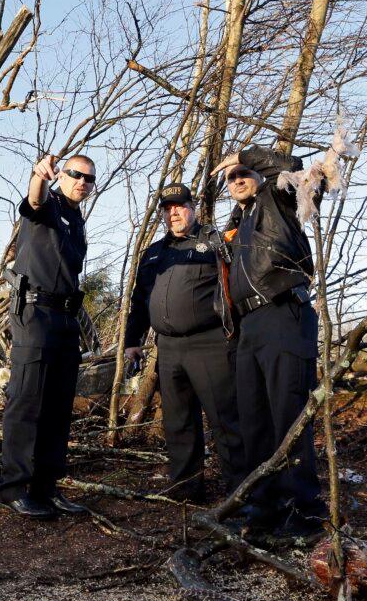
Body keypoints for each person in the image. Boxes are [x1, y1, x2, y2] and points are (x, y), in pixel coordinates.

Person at [213, 145, 326, 536]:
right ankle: (264, 509)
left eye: (244, 172)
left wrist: (240, 154)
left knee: (288, 416)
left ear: (258, 176)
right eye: (231, 176)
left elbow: (290, 165)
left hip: (283, 314)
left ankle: (304, 512)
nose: (238, 178)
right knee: (254, 422)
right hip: (248, 327)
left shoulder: (277, 199)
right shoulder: (236, 225)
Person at [122, 183, 248, 503]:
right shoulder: (153, 253)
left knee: (225, 419)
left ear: (192, 207)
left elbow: (238, 286)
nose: (173, 212)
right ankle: (186, 490)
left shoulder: (214, 241)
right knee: (177, 422)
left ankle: (241, 491)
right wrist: (132, 341)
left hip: (210, 343)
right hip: (167, 348)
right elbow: (140, 300)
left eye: (179, 206)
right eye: (167, 208)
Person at [0, 153, 95, 519]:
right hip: (34, 314)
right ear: (61, 176)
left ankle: (47, 488)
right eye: (75, 175)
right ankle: (13, 489)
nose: (82, 182)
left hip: (66, 317)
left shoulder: (76, 217)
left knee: (58, 406)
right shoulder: (49, 204)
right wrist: (38, 175)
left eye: (89, 179)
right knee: (27, 401)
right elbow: (33, 200)